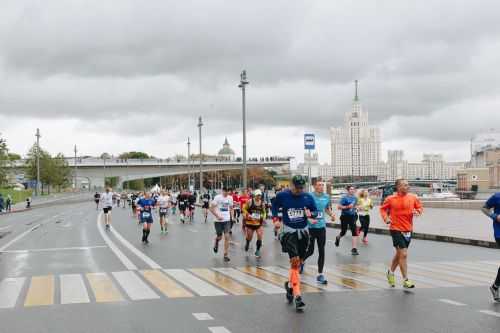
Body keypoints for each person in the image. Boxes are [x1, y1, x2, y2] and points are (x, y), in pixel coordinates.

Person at [272, 175, 317, 312]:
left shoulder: (308, 197)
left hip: (303, 232)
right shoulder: (282, 196)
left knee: (299, 263)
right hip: (289, 232)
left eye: (301, 188)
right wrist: (276, 220)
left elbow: (315, 211)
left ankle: (290, 286)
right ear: (291, 185)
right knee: (295, 261)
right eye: (296, 188)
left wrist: (311, 215)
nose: (299, 190)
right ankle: (298, 296)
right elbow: (274, 206)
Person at [380, 179, 423, 289]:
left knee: (399, 254)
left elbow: (419, 207)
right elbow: (383, 210)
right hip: (395, 228)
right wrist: (386, 219)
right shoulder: (390, 199)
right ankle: (405, 280)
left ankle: (390, 272)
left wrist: (417, 212)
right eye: (404, 185)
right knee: (403, 254)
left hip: (408, 229)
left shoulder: (413, 197)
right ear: (398, 187)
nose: (407, 187)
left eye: (408, 185)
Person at [303, 178, 335, 284]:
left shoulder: (326, 197)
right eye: (319, 185)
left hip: (321, 227)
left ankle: (320, 274)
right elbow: (305, 209)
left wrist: (331, 215)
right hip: (311, 228)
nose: (321, 186)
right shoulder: (309, 196)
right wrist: (309, 219)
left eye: (322, 185)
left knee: (322, 250)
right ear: (314, 186)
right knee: (311, 250)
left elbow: (326, 208)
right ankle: (301, 261)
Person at [481, 192, 500, 302]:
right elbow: (484, 208)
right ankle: (495, 286)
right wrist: (495, 216)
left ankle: (495, 286)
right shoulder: (497, 196)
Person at [209, 187, 234, 262]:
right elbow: (211, 208)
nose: (226, 193)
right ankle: (216, 241)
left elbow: (231, 208)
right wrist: (217, 216)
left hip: (227, 220)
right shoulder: (217, 198)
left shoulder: (230, 198)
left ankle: (225, 255)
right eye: (225, 192)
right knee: (219, 237)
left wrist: (232, 217)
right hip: (218, 220)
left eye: (227, 192)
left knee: (227, 236)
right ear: (222, 191)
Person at [335, 185, 360, 255]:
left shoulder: (355, 198)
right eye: (351, 189)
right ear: (348, 190)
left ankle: (354, 249)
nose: (352, 190)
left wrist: (357, 208)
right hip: (344, 216)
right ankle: (338, 237)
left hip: (352, 216)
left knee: (354, 231)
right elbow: (338, 207)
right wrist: (347, 207)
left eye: (353, 189)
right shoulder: (344, 198)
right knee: (343, 232)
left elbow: (355, 205)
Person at [242, 189, 267, 258]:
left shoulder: (262, 203)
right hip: (250, 223)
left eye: (260, 195)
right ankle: (247, 243)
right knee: (250, 236)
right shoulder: (250, 201)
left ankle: (258, 250)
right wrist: (248, 215)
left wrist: (264, 217)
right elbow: (244, 209)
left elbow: (264, 212)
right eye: (257, 195)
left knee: (260, 236)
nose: (258, 197)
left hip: (259, 223)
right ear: (254, 195)